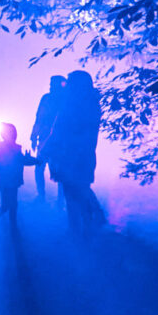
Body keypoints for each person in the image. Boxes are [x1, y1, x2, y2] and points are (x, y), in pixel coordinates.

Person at [42, 70, 106, 235]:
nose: (66, 86)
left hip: (68, 158)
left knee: (72, 196)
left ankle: (78, 234)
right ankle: (91, 226)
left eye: (69, 82)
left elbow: (57, 132)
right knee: (82, 190)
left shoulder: (70, 107)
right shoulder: (92, 105)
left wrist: (44, 151)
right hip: (84, 158)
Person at [0, 123, 37, 232]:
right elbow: (1, 155)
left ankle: (12, 226)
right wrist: (33, 160)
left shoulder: (15, 149)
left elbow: (23, 160)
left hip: (12, 181)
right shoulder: (1, 146)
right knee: (6, 205)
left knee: (12, 205)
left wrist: (35, 160)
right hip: (7, 181)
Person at [30, 75, 65, 202]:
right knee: (39, 167)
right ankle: (41, 195)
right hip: (44, 139)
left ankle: (60, 199)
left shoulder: (65, 100)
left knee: (59, 171)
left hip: (58, 141)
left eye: (53, 84)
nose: (50, 87)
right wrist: (34, 136)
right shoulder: (46, 99)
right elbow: (38, 117)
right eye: (50, 84)